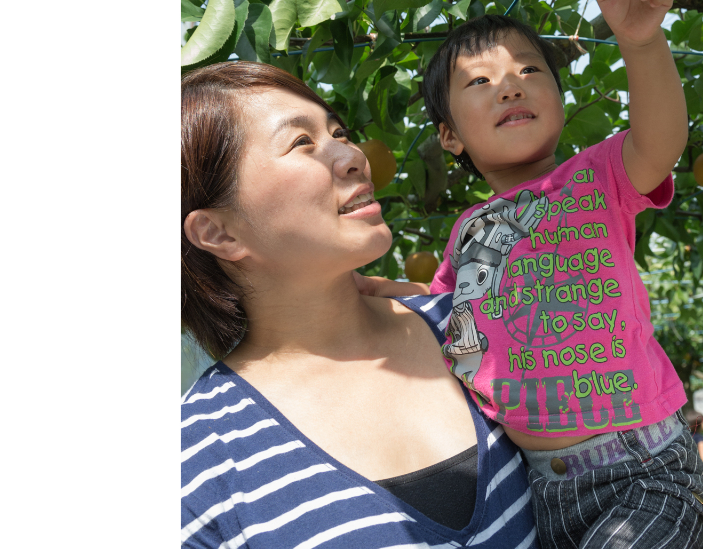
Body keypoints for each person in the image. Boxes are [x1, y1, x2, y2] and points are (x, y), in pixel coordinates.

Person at [420, 0, 703, 549]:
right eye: (479, 81)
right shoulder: (468, 231)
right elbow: (444, 319)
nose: (510, 87)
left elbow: (661, 141)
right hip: (538, 490)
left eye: (530, 71)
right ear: (449, 135)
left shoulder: (596, 176)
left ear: (558, 99)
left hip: (642, 470)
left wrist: (640, 42)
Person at [179, 62, 537, 549]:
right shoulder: (200, 457)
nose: (352, 156)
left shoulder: (474, 325)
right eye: (301, 143)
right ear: (218, 232)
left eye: (339, 132)